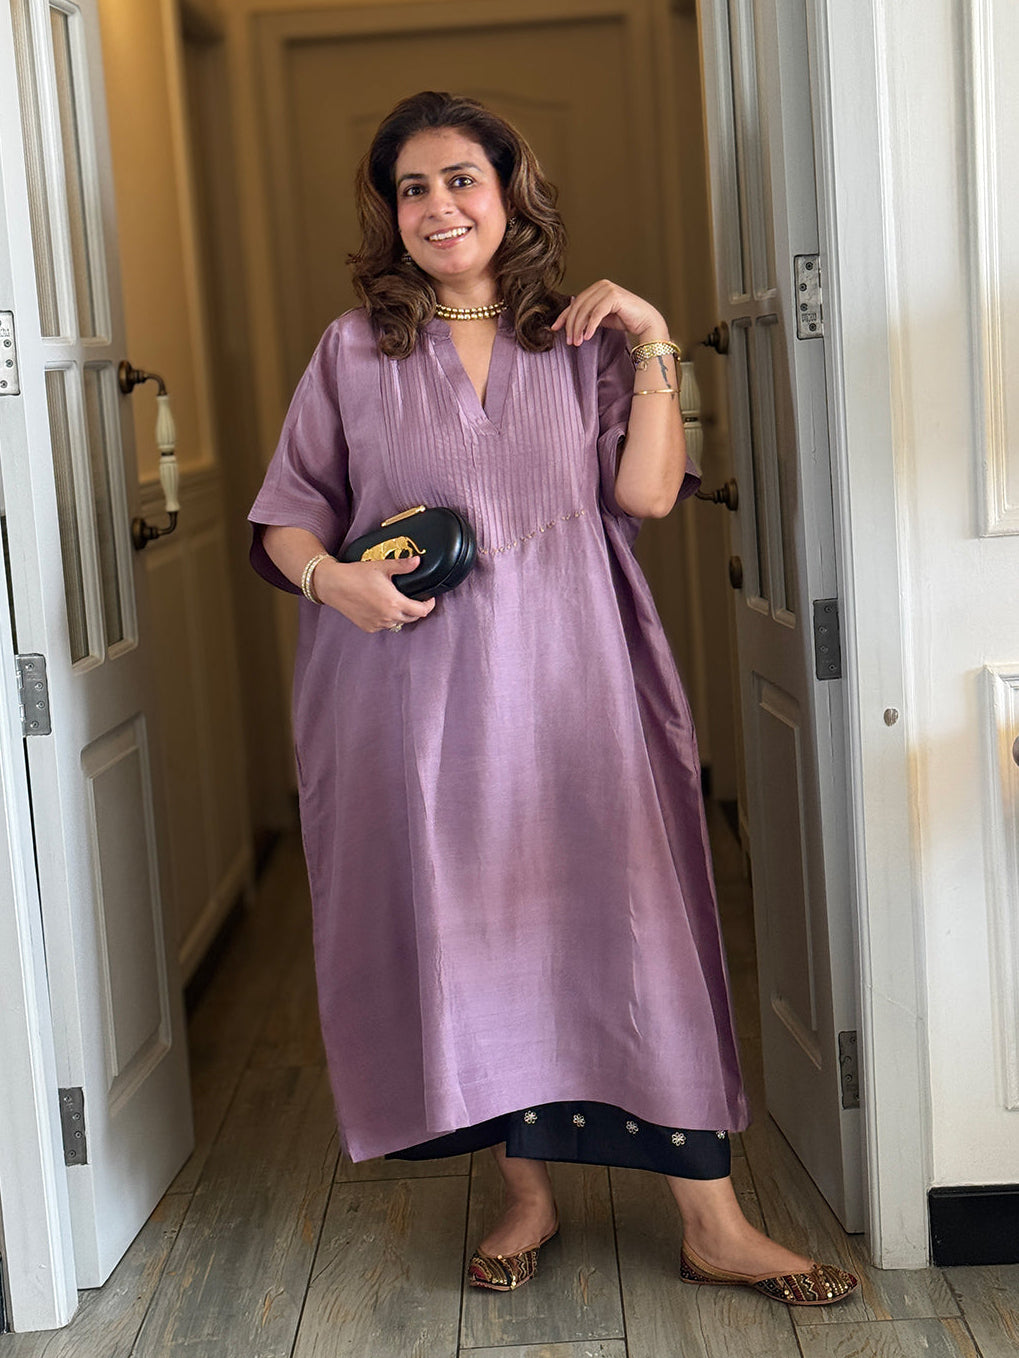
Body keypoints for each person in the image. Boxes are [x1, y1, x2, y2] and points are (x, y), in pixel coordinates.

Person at [248, 90, 857, 1306]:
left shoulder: (574, 338)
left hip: (575, 681)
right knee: (480, 936)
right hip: (417, 696)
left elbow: (640, 496)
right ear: (389, 211)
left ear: (509, 188)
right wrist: (328, 579)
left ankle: (713, 1219)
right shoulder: (352, 350)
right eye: (411, 188)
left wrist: (649, 335)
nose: (437, 206)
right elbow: (286, 511)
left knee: (630, 918)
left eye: (458, 179)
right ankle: (526, 1195)